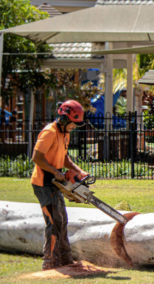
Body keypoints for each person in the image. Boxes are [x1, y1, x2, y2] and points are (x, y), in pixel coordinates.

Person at [30, 100, 89, 270]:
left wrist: (79, 170)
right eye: (73, 123)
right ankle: (49, 261)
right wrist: (55, 172)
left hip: (55, 181)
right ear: (63, 119)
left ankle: (65, 257)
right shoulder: (49, 132)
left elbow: (64, 158)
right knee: (54, 221)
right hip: (43, 182)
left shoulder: (64, 133)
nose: (74, 127)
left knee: (62, 220)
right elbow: (37, 157)